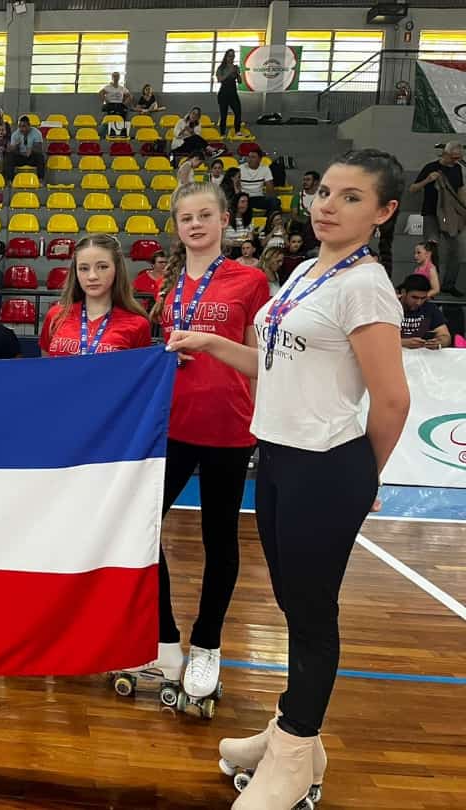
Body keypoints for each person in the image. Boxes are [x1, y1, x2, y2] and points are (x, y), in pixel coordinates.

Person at [167, 149, 411, 810]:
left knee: (309, 615)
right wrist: (212, 344)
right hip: (273, 457)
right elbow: (275, 368)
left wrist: (359, 479)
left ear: (384, 212)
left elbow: (392, 401)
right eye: (325, 191)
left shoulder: (365, 285)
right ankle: (290, 731)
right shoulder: (306, 270)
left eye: (352, 197)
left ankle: (297, 749)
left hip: (324, 467)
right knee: (292, 604)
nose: (328, 205)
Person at [121, 181, 270, 713]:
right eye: (186, 218)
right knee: (141, 526)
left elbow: (262, 360)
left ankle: (207, 644)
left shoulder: (250, 281)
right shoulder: (162, 283)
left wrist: (211, 346)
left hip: (230, 427)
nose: (196, 225)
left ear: (225, 219)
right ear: (177, 226)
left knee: (219, 539)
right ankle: (165, 639)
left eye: (205, 215)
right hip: (172, 426)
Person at [40, 234, 151, 356]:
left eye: (102, 267)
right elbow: (46, 365)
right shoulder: (56, 315)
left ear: (117, 269)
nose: (92, 276)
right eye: (83, 268)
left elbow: (139, 372)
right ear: (75, 272)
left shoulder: (138, 324)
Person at [408, 141, 464, 296]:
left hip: (449, 215)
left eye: (458, 158)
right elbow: (412, 189)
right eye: (453, 158)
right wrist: (428, 180)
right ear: (445, 154)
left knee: (455, 250)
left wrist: (462, 209)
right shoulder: (431, 167)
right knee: (432, 248)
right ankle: (433, 284)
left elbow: (460, 190)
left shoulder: (457, 169)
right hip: (431, 213)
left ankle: (449, 284)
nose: (455, 161)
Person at [399, 274, 451, 349]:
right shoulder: (389, 307)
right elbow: (377, 338)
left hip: (423, 356)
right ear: (404, 292)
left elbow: (445, 336)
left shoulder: (430, 308)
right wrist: (403, 342)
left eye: (423, 298)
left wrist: (439, 342)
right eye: (414, 297)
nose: (418, 302)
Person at [240, 149, 281, 214]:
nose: (250, 159)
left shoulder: (265, 169)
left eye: (253, 157)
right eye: (249, 157)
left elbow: (270, 189)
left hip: (258, 198)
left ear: (260, 159)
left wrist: (270, 198)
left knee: (275, 202)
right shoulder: (240, 169)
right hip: (244, 198)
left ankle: (269, 220)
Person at [4, 116, 45, 181]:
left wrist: (31, 149)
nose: (21, 129)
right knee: (9, 156)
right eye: (19, 126)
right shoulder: (15, 135)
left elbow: (40, 149)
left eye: (23, 126)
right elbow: (12, 150)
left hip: (31, 157)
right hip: (20, 157)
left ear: (29, 126)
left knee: (40, 156)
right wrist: (16, 147)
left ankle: (40, 179)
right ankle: (10, 180)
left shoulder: (37, 133)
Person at [216, 49, 243, 135]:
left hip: (233, 93)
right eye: (230, 56)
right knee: (223, 115)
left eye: (233, 56)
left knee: (238, 112)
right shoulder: (221, 68)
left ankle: (237, 131)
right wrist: (229, 72)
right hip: (223, 93)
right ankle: (222, 132)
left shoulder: (235, 67)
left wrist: (238, 74)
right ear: (226, 57)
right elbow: (219, 79)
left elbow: (240, 81)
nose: (231, 58)